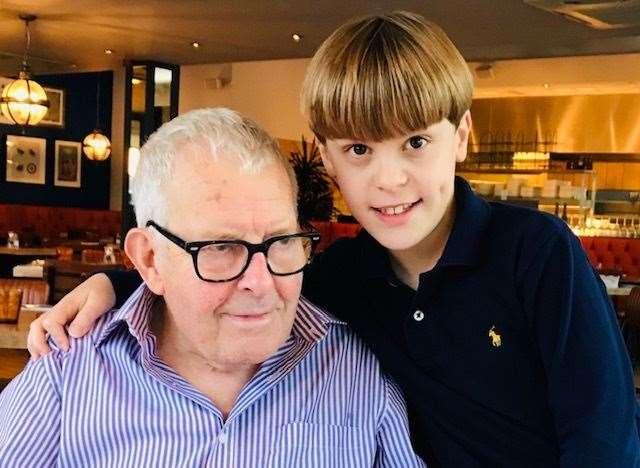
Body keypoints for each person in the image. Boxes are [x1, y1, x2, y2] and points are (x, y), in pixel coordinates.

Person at [27, 11, 640, 468]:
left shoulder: (535, 252)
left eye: (416, 143)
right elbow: (238, 272)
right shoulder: (345, 274)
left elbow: (604, 437)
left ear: (462, 135)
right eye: (358, 150)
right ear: (327, 158)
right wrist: (120, 281)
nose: (389, 178)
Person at [0, 108, 425, 467]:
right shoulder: (66, 376)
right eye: (221, 247)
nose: (260, 283)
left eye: (280, 242)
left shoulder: (357, 372)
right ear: (149, 259)